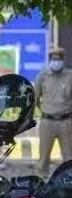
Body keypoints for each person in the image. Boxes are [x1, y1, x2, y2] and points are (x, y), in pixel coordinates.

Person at [35, 46, 72, 177]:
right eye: (54, 59)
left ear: (63, 60)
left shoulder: (69, 76)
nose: (56, 61)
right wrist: (44, 110)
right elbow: (35, 97)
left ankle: (68, 186)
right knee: (43, 158)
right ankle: (41, 183)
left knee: (69, 158)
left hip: (66, 122)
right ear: (50, 60)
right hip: (47, 122)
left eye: (59, 59)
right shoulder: (43, 76)